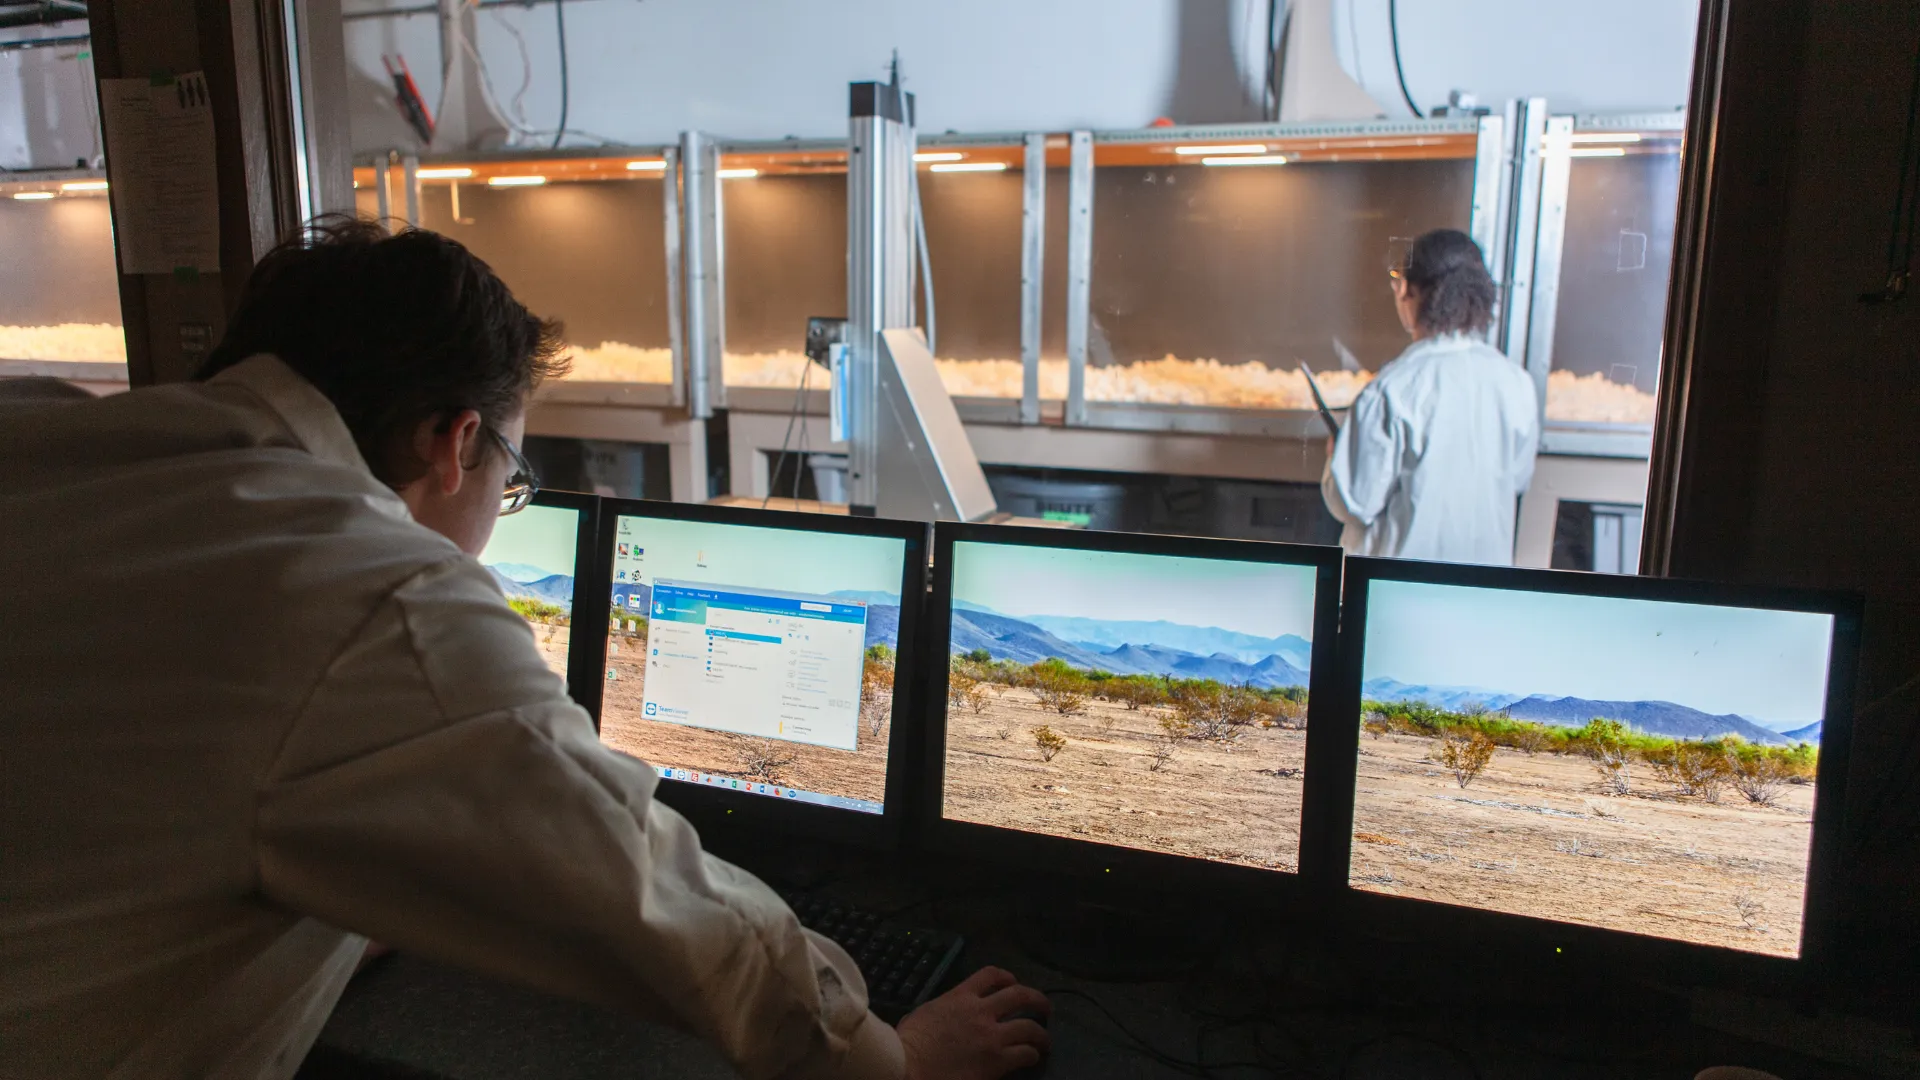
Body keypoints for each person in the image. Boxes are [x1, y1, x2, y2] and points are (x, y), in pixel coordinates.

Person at [0, 219, 1049, 1080]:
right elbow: (656, 897)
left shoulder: (52, 441)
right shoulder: (370, 595)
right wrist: (893, 1058)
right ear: (452, 443)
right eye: (509, 478)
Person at [1320, 229, 1540, 565]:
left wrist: (1338, 458)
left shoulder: (1394, 388)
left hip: (1393, 592)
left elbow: (1355, 503)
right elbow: (1518, 478)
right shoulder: (1516, 383)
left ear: (1409, 290)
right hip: (1481, 590)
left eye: (1398, 281)